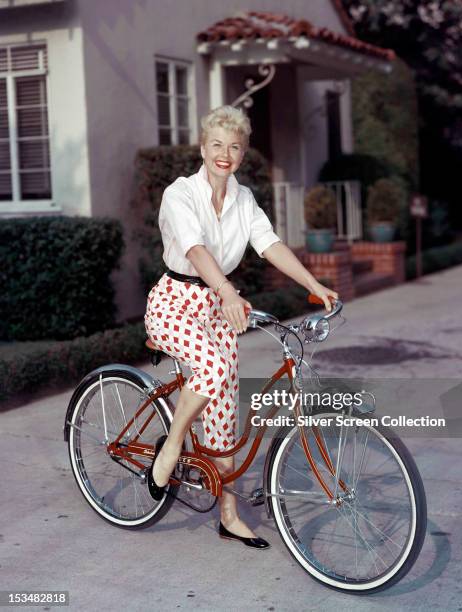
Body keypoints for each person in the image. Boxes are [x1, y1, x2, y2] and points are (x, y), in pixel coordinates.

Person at [144, 105, 338, 549]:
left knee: (225, 412)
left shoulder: (244, 199)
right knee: (211, 372)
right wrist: (230, 293)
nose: (224, 154)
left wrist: (313, 284)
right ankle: (171, 446)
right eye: (216, 145)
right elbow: (194, 250)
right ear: (202, 147)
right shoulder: (180, 193)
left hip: (216, 307)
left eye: (234, 147)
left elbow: (269, 244)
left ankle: (228, 514)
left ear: (243, 153)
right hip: (174, 302)